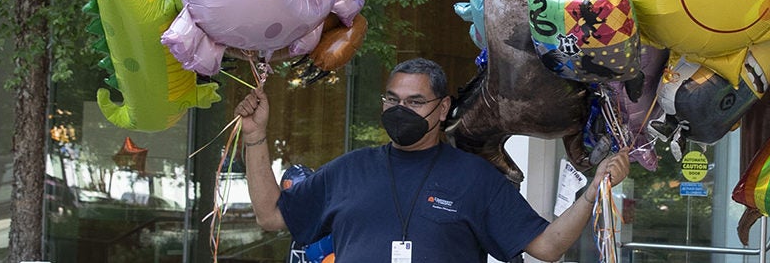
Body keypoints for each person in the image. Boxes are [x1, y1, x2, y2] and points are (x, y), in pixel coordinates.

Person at [236, 57, 629, 262]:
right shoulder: (350, 169)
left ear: (442, 109)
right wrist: (255, 138)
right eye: (392, 99)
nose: (398, 110)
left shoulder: (474, 177)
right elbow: (271, 216)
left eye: (414, 102)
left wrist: (591, 193)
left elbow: (546, 247)